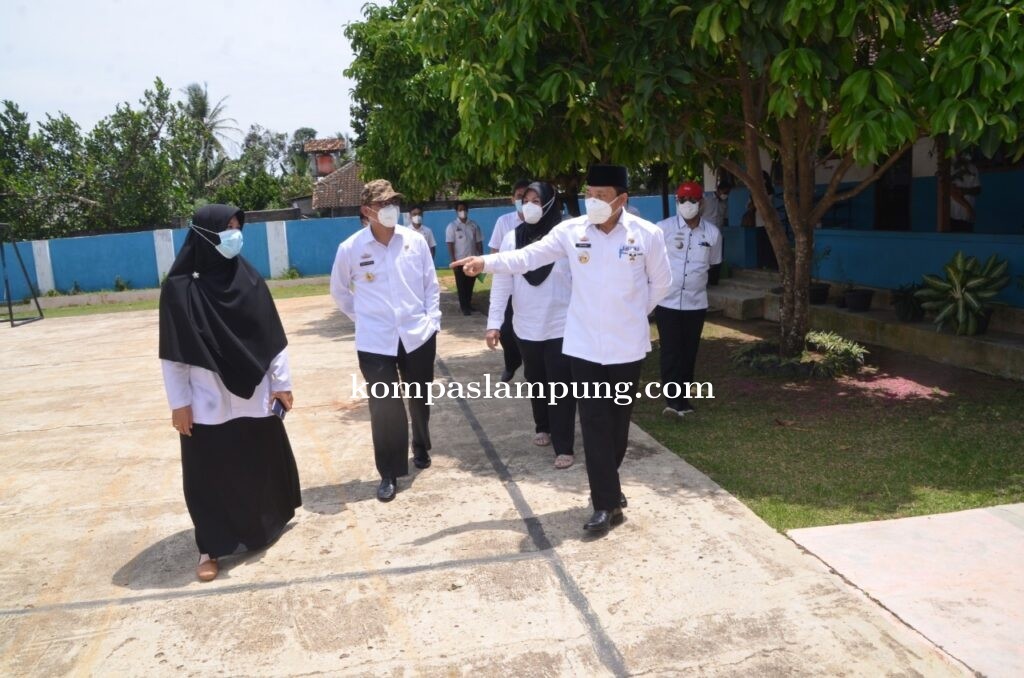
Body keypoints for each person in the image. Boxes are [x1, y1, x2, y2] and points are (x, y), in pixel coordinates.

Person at [453, 164, 672, 534]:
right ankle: (605, 505)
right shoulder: (571, 231)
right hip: (583, 345)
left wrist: (632, 314)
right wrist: (484, 261)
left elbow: (661, 283)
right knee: (594, 423)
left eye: (602, 196)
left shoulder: (647, 235)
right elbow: (527, 256)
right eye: (589, 194)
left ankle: (610, 486)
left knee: (618, 426)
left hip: (627, 346)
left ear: (621, 199)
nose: (593, 201)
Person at [159, 204, 301, 582]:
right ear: (204, 234)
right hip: (206, 402)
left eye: (238, 227)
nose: (235, 235)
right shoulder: (179, 289)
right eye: (227, 228)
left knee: (258, 466)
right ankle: (210, 548)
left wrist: (282, 384)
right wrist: (179, 404)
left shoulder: (249, 280)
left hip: (254, 396)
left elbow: (273, 338)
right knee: (208, 477)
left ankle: (262, 528)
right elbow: (173, 355)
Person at [331, 180, 441, 502]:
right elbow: (339, 291)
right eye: (383, 204)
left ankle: (420, 444)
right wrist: (363, 318)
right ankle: (389, 472)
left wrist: (432, 322)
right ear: (367, 211)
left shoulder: (415, 241)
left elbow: (431, 285)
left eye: (393, 202)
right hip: (375, 342)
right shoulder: (351, 248)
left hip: (417, 335)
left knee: (419, 399)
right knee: (385, 407)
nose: (390, 208)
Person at [486, 181, 576, 469]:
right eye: (526, 200)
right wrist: (494, 323)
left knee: (561, 385)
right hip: (526, 325)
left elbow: (582, 280)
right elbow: (501, 282)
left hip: (562, 324)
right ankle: (543, 426)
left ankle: (564, 445)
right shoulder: (512, 238)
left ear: (550, 203)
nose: (529, 206)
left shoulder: (566, 237)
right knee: (536, 380)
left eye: (537, 201)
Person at [655, 181, 722, 417]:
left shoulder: (712, 233)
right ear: (676, 201)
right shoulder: (662, 229)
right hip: (668, 301)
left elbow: (713, 264)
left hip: (696, 303)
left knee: (689, 351)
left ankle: (683, 399)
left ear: (701, 203)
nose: (687, 204)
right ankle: (672, 401)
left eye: (692, 199)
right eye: (682, 200)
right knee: (670, 350)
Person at [489, 180, 531, 381]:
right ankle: (512, 363)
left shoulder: (546, 224)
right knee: (506, 331)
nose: (523, 201)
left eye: (528, 197)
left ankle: (530, 365)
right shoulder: (504, 222)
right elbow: (495, 252)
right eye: (519, 197)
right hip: (509, 284)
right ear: (512, 199)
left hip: (532, 287)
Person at [445, 201, 484, 315]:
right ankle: (464, 307)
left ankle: (469, 304)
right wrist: (453, 260)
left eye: (464, 209)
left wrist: (481, 257)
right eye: (460, 209)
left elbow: (478, 242)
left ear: (467, 210)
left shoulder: (474, 225)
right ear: (456, 211)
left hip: (472, 260)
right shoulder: (452, 226)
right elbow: (450, 244)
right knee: (461, 285)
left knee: (470, 284)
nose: (462, 211)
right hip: (459, 261)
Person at [702, 182, 730, 284]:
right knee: (705, 256)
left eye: (728, 193)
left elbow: (725, 217)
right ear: (719, 190)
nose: (726, 194)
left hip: (718, 233)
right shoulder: (707, 199)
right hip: (705, 233)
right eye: (725, 192)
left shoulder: (724, 203)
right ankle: (705, 279)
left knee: (717, 257)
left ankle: (714, 280)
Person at [950, 155, 981, 232]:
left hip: (967, 217)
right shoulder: (951, 168)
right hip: (953, 216)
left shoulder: (973, 168)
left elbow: (978, 189)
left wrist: (964, 191)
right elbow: (952, 191)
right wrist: (968, 207)